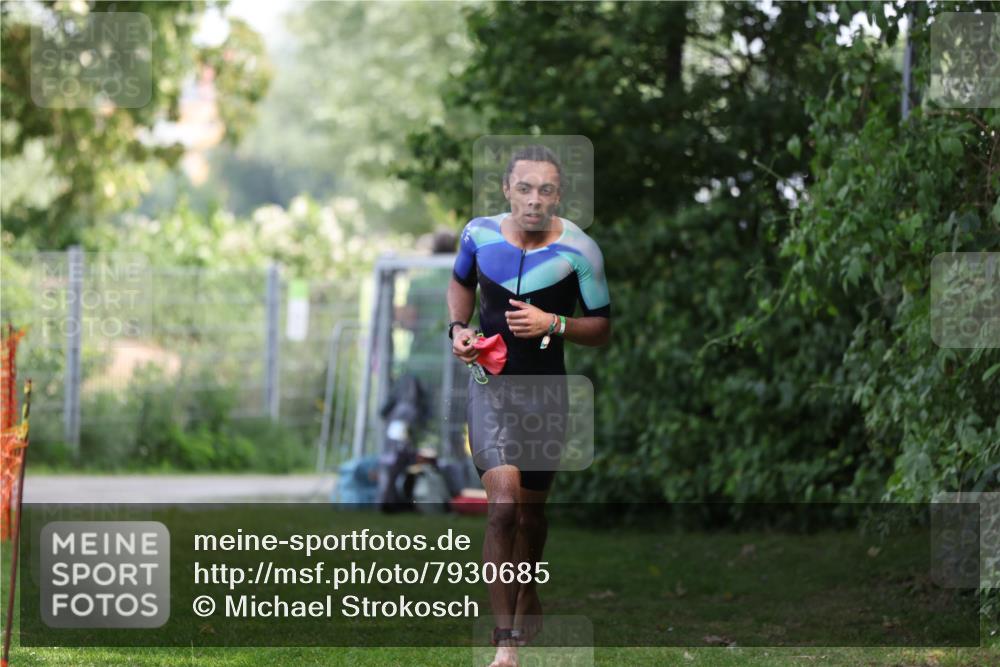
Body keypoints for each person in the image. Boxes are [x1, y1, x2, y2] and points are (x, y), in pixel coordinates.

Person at [447, 145, 611, 667]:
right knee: (503, 509)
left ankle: (525, 593)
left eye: (545, 190)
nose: (533, 200)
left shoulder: (580, 251)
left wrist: (554, 324)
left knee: (533, 518)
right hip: (490, 386)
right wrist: (458, 330)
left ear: (558, 195)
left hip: (546, 392)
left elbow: (602, 327)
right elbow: (459, 283)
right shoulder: (478, 234)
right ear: (506, 190)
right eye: (524, 188)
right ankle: (505, 645)